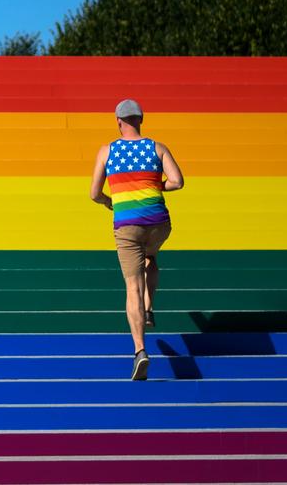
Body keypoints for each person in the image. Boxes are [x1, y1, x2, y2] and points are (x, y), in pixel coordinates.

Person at [89, 99, 184, 380]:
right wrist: (154, 185)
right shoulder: (157, 147)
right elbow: (177, 181)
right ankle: (150, 306)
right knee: (151, 256)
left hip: (127, 224)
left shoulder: (107, 150)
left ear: (118, 121)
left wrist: (111, 201)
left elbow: (94, 193)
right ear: (141, 119)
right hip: (158, 222)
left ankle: (140, 350)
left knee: (132, 285)